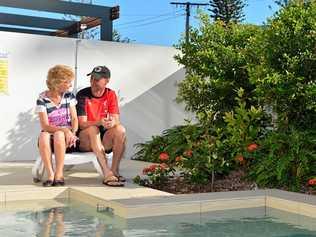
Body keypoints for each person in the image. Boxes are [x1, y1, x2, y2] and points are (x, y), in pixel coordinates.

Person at [76, 65, 126, 187]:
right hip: (85, 139)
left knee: (120, 129)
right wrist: (99, 122)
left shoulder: (110, 94)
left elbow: (116, 120)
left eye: (97, 79)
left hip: (102, 139)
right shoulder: (82, 95)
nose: (93, 81)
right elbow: (82, 124)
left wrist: (112, 123)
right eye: (92, 78)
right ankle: (106, 172)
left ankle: (114, 171)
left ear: (107, 80)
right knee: (93, 129)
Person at [36, 65, 78, 187]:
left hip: (67, 139)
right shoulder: (42, 99)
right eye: (68, 82)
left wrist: (72, 133)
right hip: (50, 136)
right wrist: (64, 129)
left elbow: (75, 119)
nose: (70, 85)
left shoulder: (69, 96)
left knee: (59, 134)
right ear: (57, 83)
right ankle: (50, 174)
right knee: (44, 135)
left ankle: (59, 173)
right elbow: (45, 125)